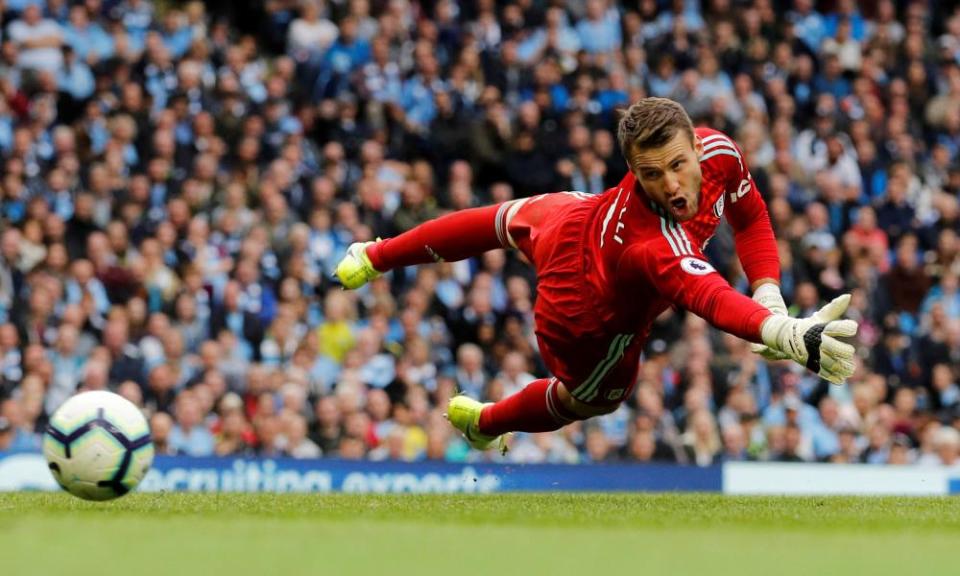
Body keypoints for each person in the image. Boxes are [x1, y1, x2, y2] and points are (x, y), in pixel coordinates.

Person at [335, 97, 858, 453]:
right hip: (583, 309)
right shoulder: (654, 243)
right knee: (590, 399)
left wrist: (768, 293)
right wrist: (780, 329)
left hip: (575, 214)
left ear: (698, 147)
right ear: (634, 171)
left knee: (501, 219)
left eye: (678, 164)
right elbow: (709, 296)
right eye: (651, 175)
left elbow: (752, 216)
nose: (672, 186)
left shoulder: (720, 151)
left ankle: (375, 255)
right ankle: (485, 424)